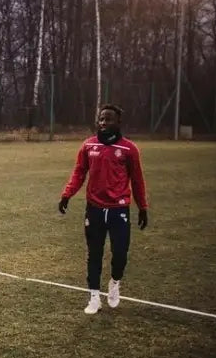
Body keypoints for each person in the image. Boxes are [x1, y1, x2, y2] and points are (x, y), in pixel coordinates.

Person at [58, 103, 149, 315]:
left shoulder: (129, 149)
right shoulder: (88, 146)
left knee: (120, 253)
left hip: (119, 210)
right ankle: (94, 297)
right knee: (94, 254)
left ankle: (115, 282)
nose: (103, 122)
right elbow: (79, 173)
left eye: (108, 119)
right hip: (95, 209)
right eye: (101, 119)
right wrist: (67, 194)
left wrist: (142, 207)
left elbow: (137, 180)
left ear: (118, 122)